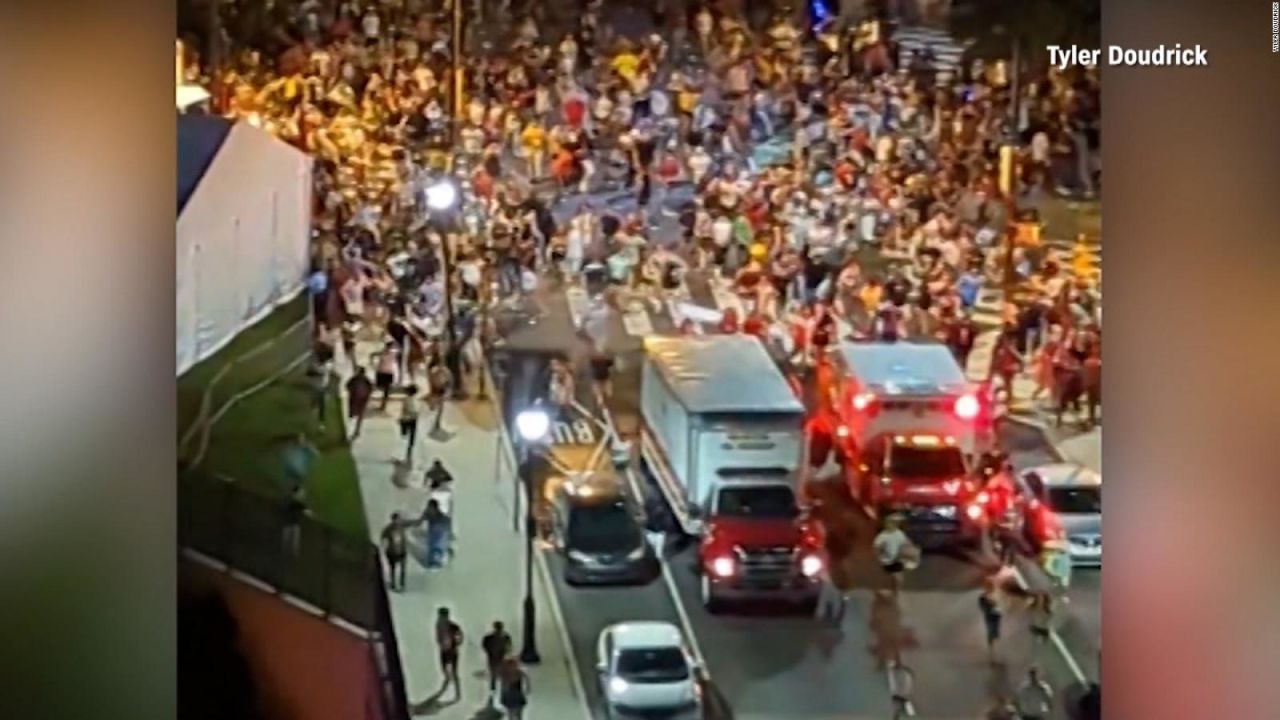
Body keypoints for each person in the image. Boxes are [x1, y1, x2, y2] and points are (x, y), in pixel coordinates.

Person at [873, 514, 917, 598]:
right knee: (893, 576)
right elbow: (877, 547)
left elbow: (905, 543)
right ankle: (892, 591)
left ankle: (894, 592)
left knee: (896, 576)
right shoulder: (884, 536)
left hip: (895, 559)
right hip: (888, 559)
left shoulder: (898, 534)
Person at [435, 608, 464, 700]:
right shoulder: (438, 625)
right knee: (445, 670)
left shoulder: (452, 626)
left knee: (454, 672)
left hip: (451, 651)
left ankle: (458, 693)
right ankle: (447, 681)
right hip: (443, 651)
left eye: (443, 616)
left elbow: (460, 634)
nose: (441, 617)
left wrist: (458, 642)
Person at [481, 621, 514, 700]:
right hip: (495, 657)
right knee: (497, 673)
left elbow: (484, 645)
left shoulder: (490, 637)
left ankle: (494, 689)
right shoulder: (504, 637)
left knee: (496, 673)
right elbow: (509, 646)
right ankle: (495, 689)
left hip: (497, 657)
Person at [380, 512, 410, 591]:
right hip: (392, 552)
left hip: (402, 551)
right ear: (392, 520)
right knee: (392, 569)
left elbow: (413, 523)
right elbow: (383, 538)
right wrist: (383, 547)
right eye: (396, 520)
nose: (398, 521)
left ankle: (402, 584)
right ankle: (393, 583)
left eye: (399, 520)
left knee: (403, 569)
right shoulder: (388, 529)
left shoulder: (402, 525)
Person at [345, 366, 374, 440]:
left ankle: (356, 430)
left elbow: (347, 386)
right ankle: (353, 430)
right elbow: (347, 386)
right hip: (356, 399)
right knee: (354, 415)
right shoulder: (357, 379)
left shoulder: (358, 379)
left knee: (357, 416)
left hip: (360, 400)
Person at [978, 577, 1003, 661]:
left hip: (996, 615)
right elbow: (983, 607)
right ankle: (992, 646)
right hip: (989, 615)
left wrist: (996, 607)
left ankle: (994, 642)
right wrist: (990, 606)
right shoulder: (983, 597)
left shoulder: (994, 595)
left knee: (995, 629)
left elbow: (999, 603)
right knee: (990, 629)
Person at [399, 385, 421, 464]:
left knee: (405, 433)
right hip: (412, 419)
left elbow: (405, 409)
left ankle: (408, 446)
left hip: (407, 419)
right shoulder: (416, 400)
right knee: (411, 433)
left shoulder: (406, 400)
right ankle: (410, 447)